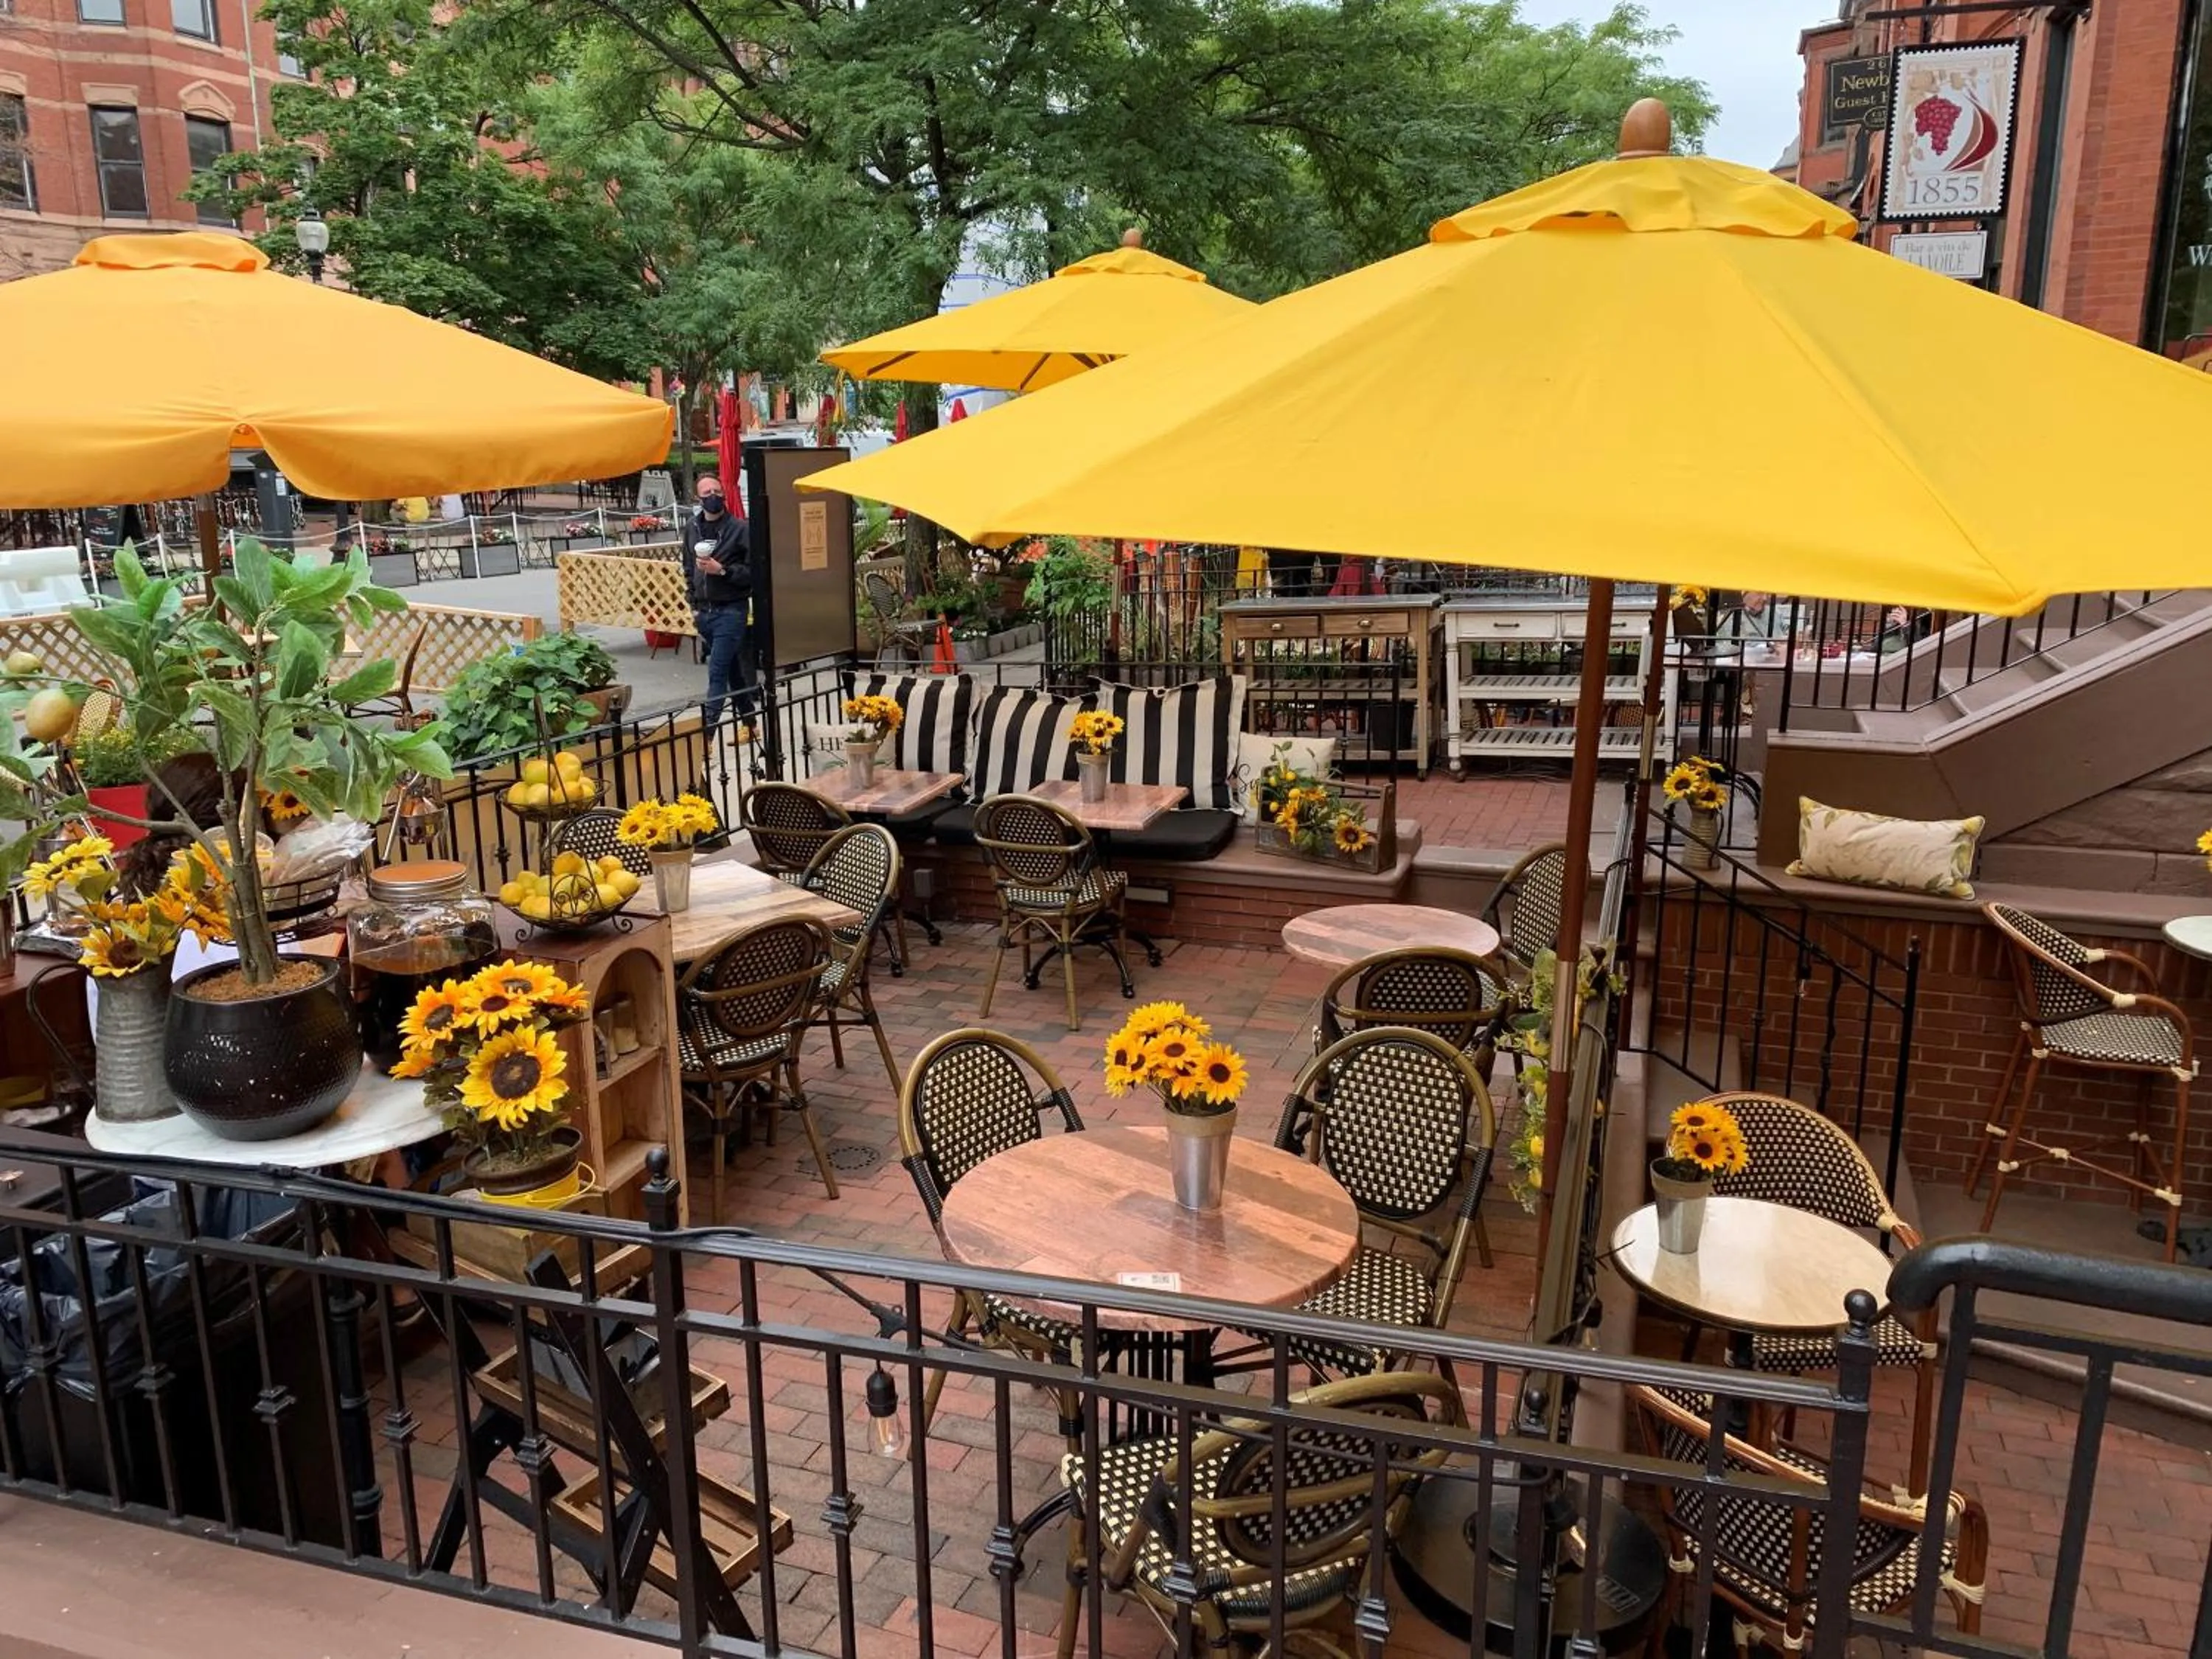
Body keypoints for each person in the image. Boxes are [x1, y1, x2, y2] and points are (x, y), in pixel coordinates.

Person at [684, 475, 754, 717]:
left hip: (731, 610)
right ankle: (750, 722)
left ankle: (708, 736)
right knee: (732, 669)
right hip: (705, 612)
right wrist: (693, 605)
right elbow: (688, 569)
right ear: (698, 498)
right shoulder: (692, 528)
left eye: (717, 491)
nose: (713, 496)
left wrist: (722, 570)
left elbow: (754, 573)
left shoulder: (739, 529)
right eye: (707, 493)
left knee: (717, 673)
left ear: (723, 494)